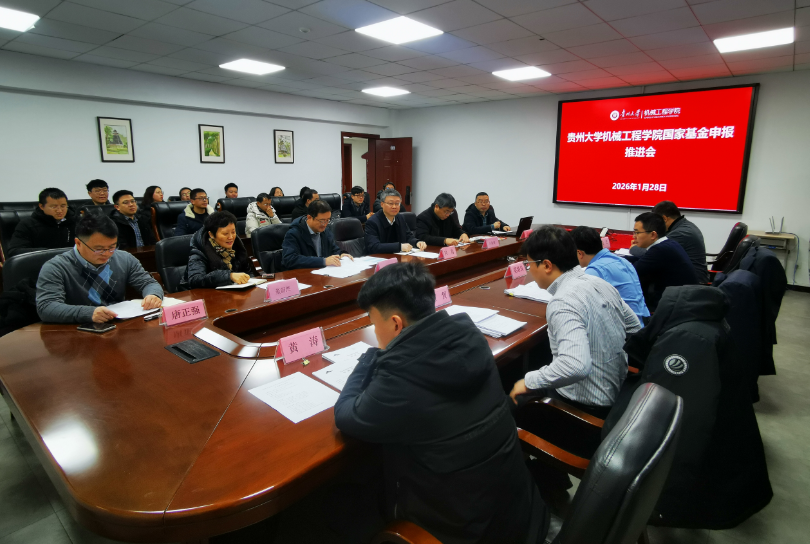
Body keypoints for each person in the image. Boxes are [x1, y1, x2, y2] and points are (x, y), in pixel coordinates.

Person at [334, 262, 547, 544]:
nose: (375, 332)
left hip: (461, 529)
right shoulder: (470, 335)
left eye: (374, 324)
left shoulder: (402, 375)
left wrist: (368, 357)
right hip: (517, 512)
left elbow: (346, 415)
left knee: (342, 506)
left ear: (396, 323)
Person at [509, 226, 641, 419]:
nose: (530, 270)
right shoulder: (601, 283)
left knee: (511, 401)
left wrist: (529, 381)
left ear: (547, 265)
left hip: (586, 406)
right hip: (619, 390)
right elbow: (635, 327)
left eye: (530, 264)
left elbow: (575, 365)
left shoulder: (563, 301)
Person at [36, 213, 163, 324]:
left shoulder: (124, 258)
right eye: (99, 249)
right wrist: (89, 313)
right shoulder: (56, 267)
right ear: (78, 243)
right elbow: (46, 307)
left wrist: (153, 295)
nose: (107, 254)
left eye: (112, 247)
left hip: (119, 324)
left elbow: (148, 282)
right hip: (79, 329)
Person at [571, 226, 649, 325]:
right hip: (642, 324)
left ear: (579, 253)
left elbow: (578, 304)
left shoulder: (595, 270)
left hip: (625, 328)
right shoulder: (622, 261)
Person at [627, 212, 699, 312]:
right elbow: (642, 259)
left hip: (676, 306)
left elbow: (633, 271)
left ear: (653, 235)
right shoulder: (668, 243)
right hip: (684, 299)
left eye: (637, 232)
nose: (634, 236)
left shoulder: (659, 250)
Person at [180, 211, 256, 290]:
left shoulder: (237, 245)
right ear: (211, 234)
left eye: (233, 232)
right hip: (197, 295)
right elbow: (195, 280)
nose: (231, 237)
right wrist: (229, 276)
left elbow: (247, 272)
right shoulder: (200, 251)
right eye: (225, 233)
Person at [281, 200, 352, 270]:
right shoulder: (294, 234)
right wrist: (323, 261)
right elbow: (289, 259)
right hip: (304, 274)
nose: (325, 224)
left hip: (324, 272)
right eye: (322, 221)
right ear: (309, 217)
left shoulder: (325, 230)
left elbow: (333, 249)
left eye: (328, 220)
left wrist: (341, 254)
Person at [7, 188, 77, 258]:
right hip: (40, 262)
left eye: (63, 206)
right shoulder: (28, 224)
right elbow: (14, 251)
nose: (59, 211)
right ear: (41, 206)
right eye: (54, 207)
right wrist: (47, 252)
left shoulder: (77, 222)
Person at [653, 201, 709, 283]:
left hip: (693, 282)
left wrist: (635, 248)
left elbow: (654, 252)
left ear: (664, 219)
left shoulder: (680, 233)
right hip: (690, 276)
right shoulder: (685, 225)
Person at [365, 188, 425, 254]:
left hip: (398, 256)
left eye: (397, 203)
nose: (394, 207)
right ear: (382, 204)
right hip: (379, 257)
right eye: (391, 203)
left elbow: (408, 236)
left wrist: (417, 242)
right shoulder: (372, 222)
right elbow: (373, 246)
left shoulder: (400, 218)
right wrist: (400, 247)